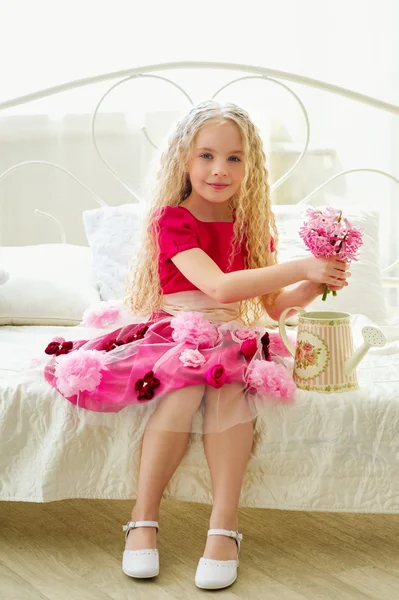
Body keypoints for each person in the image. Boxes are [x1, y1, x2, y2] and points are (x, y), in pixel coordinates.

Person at [42, 101, 350, 590]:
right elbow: (220, 288)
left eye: (234, 158)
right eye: (206, 155)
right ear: (184, 159)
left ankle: (223, 529)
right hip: (179, 329)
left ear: (250, 166)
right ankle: (143, 519)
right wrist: (300, 267)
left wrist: (318, 281)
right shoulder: (173, 221)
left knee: (228, 388)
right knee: (185, 387)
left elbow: (273, 308)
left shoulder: (252, 227)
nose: (219, 170)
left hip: (228, 335)